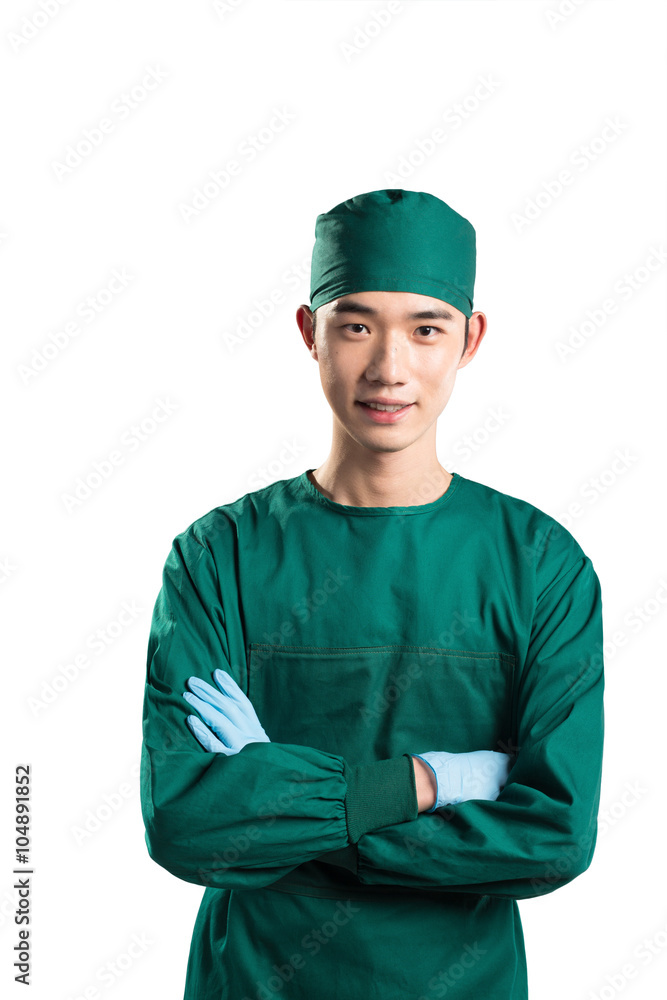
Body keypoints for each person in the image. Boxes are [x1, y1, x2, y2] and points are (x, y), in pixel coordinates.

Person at [140, 188, 605, 1000]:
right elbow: (187, 826)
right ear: (307, 334)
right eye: (355, 325)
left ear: (469, 340)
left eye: (426, 328)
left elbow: (553, 837)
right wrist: (431, 781)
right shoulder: (219, 557)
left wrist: (284, 805)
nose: (388, 367)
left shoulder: (540, 564)